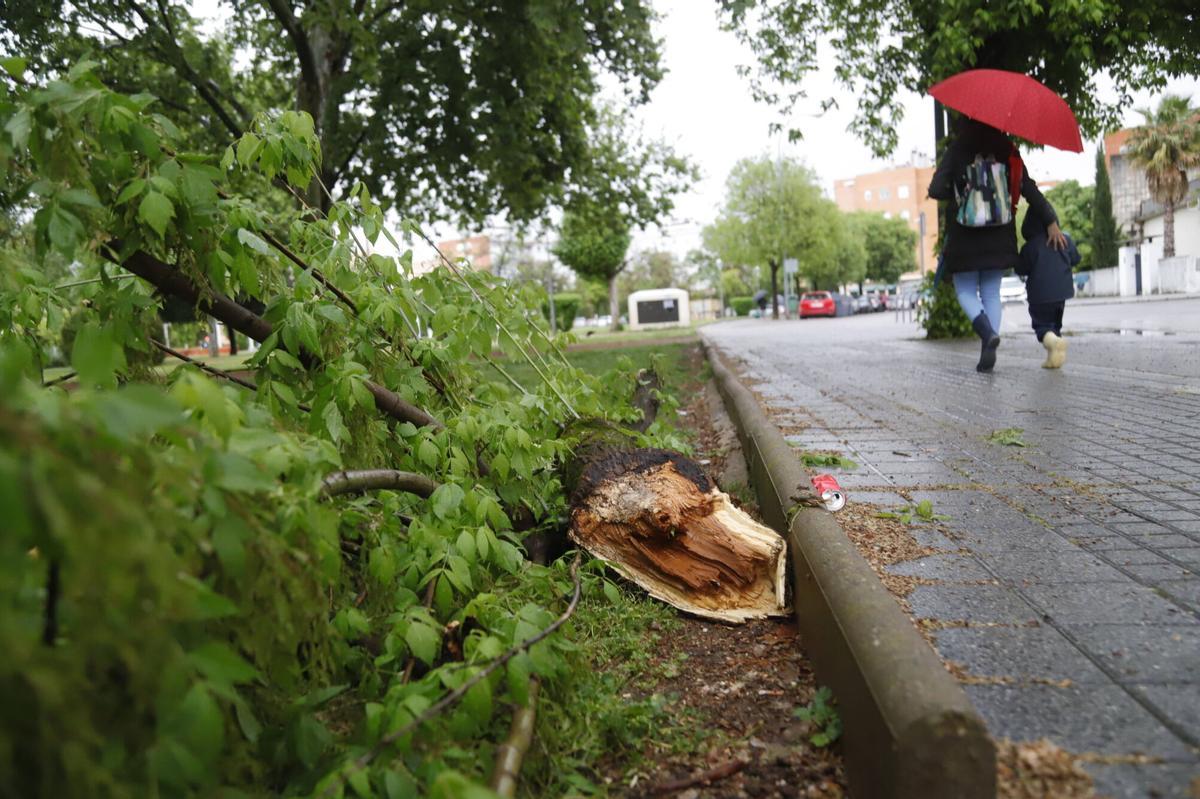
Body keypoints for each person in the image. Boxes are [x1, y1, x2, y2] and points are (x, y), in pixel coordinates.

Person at [928, 117, 1066, 372]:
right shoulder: (1007, 149)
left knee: (965, 291)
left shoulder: (958, 149)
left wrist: (961, 192)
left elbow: (936, 189)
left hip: (965, 234)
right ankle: (987, 348)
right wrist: (1050, 219)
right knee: (991, 292)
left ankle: (985, 333)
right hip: (1000, 234)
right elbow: (1028, 188)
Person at [1018, 208, 1080, 368]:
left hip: (1039, 295)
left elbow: (1020, 268)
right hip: (1062, 294)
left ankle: (1053, 344)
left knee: (1042, 327)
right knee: (1055, 325)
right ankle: (1054, 358)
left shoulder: (1030, 247)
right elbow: (1076, 259)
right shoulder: (1065, 239)